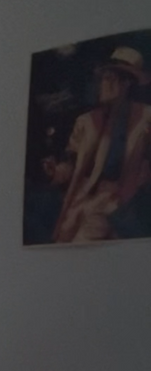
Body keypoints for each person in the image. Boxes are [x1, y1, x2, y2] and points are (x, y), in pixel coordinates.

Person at [43, 46, 151, 244]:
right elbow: (71, 165)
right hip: (81, 201)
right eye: (102, 78)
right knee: (63, 240)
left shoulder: (146, 118)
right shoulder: (85, 122)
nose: (102, 84)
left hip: (117, 205)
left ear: (126, 83)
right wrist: (55, 172)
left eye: (109, 79)